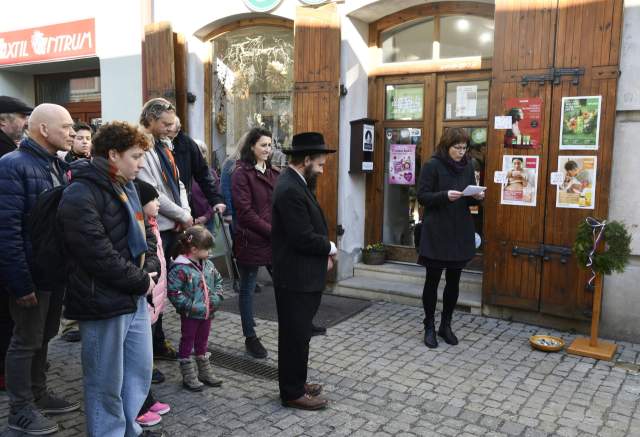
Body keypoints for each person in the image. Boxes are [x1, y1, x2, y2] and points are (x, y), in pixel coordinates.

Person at [57, 121, 163, 437]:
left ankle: (130, 429)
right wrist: (142, 280)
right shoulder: (80, 193)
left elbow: (146, 237)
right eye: (135, 156)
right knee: (105, 381)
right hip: (101, 301)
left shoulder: (127, 186)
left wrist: (150, 268)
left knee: (138, 371)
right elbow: (96, 254)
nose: (141, 164)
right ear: (114, 154)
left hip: (133, 296)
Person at [0, 103, 80, 435]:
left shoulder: (56, 164)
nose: (73, 133)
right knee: (25, 340)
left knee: (44, 336)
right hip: (30, 274)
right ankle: (19, 411)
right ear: (43, 129)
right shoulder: (12, 165)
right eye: (66, 126)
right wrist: (20, 283)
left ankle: (38, 393)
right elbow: (6, 231)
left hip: (52, 272)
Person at [272, 132, 337, 411]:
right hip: (295, 277)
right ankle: (292, 392)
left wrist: (323, 256)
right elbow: (301, 237)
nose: (322, 170)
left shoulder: (297, 182)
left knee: (299, 334)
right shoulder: (289, 188)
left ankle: (296, 382)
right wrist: (329, 247)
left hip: (302, 274)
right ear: (306, 159)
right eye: (320, 164)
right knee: (294, 337)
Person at [417, 128, 484, 349]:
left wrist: (476, 197)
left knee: (454, 281)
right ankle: (429, 326)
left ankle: (446, 325)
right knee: (433, 280)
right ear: (446, 146)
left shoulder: (468, 166)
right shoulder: (432, 165)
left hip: (459, 230)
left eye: (464, 148)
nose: (461, 152)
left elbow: (468, 200)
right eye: (457, 148)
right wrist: (444, 196)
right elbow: (422, 197)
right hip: (437, 231)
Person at [137, 98, 190, 363]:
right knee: (153, 290)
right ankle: (148, 350)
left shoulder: (164, 146)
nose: (171, 129)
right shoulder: (142, 147)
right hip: (158, 227)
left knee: (163, 289)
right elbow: (152, 190)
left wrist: (186, 212)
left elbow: (178, 184)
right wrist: (182, 215)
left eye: (172, 124)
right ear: (150, 120)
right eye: (166, 124)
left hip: (174, 224)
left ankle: (157, 343)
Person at [231, 127, 279, 358]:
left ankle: (294, 325)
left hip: (274, 240)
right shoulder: (241, 173)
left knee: (285, 285)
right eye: (263, 145)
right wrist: (272, 231)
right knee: (248, 289)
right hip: (251, 239)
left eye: (270, 145)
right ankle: (250, 337)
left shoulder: (274, 173)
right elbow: (245, 212)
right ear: (252, 146)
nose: (268, 149)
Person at [0, 95, 33, 392]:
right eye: (22, 117)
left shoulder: (12, 150)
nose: (25, 123)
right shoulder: (8, 157)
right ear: (3, 121)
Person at [167, 225, 224, 392]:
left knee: (202, 340)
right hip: (191, 314)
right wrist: (189, 306)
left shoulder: (208, 264)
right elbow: (174, 292)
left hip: (207, 312)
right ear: (194, 249)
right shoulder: (180, 268)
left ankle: (204, 371)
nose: (210, 252)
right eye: (207, 249)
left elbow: (218, 280)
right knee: (188, 340)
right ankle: (188, 373)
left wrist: (216, 297)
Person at [134, 179, 171, 428]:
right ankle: (139, 404)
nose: (158, 204)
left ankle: (147, 397)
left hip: (155, 300)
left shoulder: (153, 225)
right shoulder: (139, 225)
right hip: (146, 300)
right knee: (139, 358)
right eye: (153, 200)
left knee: (146, 358)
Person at [169, 117, 226, 215]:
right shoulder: (155, 143)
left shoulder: (186, 143)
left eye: (175, 132)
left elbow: (203, 173)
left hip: (185, 205)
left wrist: (216, 200)